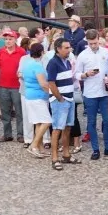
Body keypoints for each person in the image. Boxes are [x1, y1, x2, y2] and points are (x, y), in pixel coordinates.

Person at [76, 29, 108, 160]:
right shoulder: (82, 55)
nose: (93, 46)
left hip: (105, 92)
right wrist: (85, 74)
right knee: (91, 121)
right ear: (87, 42)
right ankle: (95, 149)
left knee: (107, 120)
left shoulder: (106, 52)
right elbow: (77, 73)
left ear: (98, 39)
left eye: (95, 43)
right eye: (91, 43)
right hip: (90, 93)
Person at [46, 38, 80, 170]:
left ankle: (66, 154)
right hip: (61, 100)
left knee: (67, 128)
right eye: (66, 48)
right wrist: (59, 98)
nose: (69, 50)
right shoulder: (53, 63)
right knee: (57, 129)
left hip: (69, 99)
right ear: (58, 49)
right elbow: (51, 83)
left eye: (69, 47)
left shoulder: (66, 62)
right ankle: (54, 158)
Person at [20, 43, 52, 158]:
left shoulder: (27, 63)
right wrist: (52, 92)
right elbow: (43, 83)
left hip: (29, 95)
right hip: (38, 96)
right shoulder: (38, 66)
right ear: (42, 52)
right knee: (47, 121)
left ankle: (40, 147)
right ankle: (33, 145)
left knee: (38, 122)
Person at [0, 29, 25, 143]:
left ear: (15, 40)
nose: (8, 41)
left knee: (19, 111)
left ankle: (20, 134)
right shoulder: (1, 51)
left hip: (17, 86)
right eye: (6, 39)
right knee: (5, 111)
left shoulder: (21, 52)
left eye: (10, 39)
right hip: (3, 86)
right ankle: (7, 134)